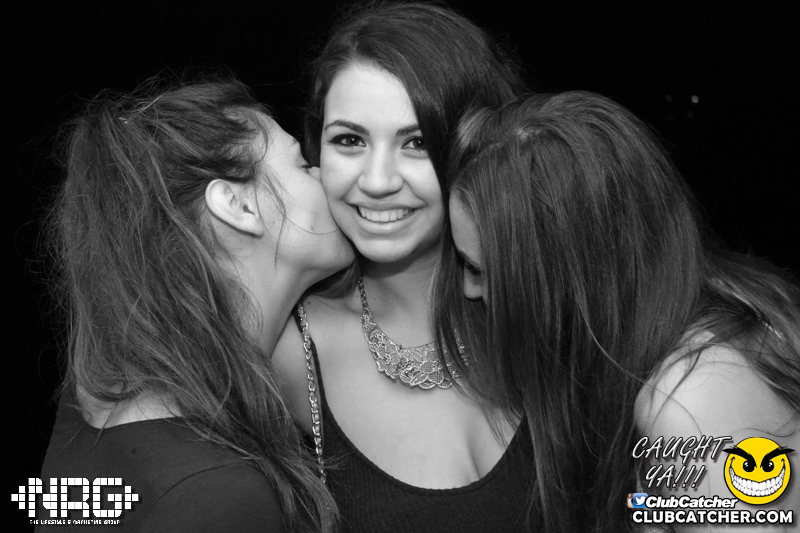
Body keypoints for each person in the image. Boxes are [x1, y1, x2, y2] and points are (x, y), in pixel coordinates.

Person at [436, 91, 800, 532]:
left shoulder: (688, 404)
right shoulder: (706, 303)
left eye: (480, 270)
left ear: (567, 275)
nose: (468, 289)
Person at [38, 76, 353, 532]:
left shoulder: (91, 397)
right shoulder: (218, 494)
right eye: (303, 165)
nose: (327, 176)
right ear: (238, 206)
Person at [272, 2, 532, 531]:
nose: (377, 181)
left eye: (417, 143)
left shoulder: (549, 309)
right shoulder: (286, 353)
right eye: (349, 140)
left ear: (482, 149)